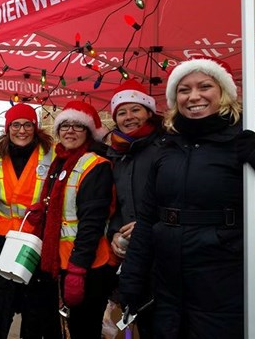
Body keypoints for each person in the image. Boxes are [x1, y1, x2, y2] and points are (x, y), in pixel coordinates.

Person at [118, 56, 255, 338]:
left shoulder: (252, 141)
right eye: (184, 89)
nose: (194, 96)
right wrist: (131, 282)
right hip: (171, 292)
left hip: (230, 288)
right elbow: (147, 220)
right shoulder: (167, 148)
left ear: (224, 94)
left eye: (205, 86)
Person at [23, 100, 118, 339]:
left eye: (78, 126)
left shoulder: (95, 165)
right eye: (65, 126)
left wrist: (77, 271)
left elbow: (91, 223)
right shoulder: (60, 162)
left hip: (87, 266)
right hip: (59, 262)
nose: (70, 131)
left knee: (83, 330)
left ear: (88, 132)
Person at [0, 103, 54, 339]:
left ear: (35, 127)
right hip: (2, 241)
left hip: (35, 240)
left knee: (33, 305)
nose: (22, 130)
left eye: (27, 125)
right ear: (8, 128)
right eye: (16, 125)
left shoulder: (52, 155)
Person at [105, 79, 161, 339]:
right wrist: (115, 234)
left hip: (164, 251)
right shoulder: (116, 154)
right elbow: (116, 205)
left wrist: (150, 224)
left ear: (149, 112)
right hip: (132, 255)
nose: (129, 117)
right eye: (122, 112)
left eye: (135, 109)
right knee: (137, 318)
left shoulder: (166, 146)